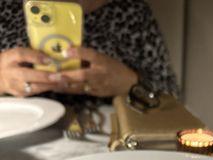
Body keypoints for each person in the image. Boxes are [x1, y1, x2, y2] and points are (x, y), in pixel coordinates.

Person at [0, 0, 178, 103]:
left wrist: (130, 83)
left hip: (116, 141)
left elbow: (172, 98)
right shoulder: (6, 7)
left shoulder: (132, 9)